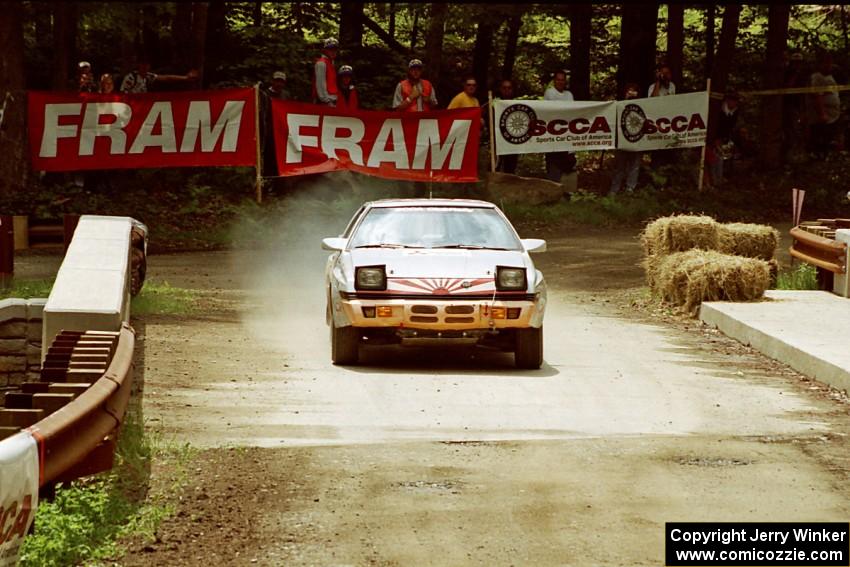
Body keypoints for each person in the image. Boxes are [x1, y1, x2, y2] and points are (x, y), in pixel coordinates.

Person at [543, 70, 576, 192]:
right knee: (553, 162)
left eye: (563, 79)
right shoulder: (549, 93)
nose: (560, 82)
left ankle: (566, 191)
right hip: (552, 135)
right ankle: (552, 190)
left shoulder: (569, 95)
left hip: (567, 135)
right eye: (558, 79)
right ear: (554, 80)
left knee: (568, 162)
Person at [609, 83, 642, 195]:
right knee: (619, 167)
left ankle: (630, 190)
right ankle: (614, 190)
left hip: (636, 141)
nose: (631, 93)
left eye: (634, 91)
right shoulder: (619, 105)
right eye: (629, 91)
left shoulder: (642, 106)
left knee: (634, 166)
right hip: (621, 141)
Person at [808, 51, 841, 160]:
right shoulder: (817, 77)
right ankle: (818, 156)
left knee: (829, 136)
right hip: (823, 115)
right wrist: (822, 113)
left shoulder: (830, 76)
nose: (829, 66)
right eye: (826, 63)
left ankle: (826, 155)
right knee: (820, 136)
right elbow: (818, 97)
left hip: (833, 114)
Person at [120, 58, 198, 93]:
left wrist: (185, 78)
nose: (145, 67)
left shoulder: (148, 76)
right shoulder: (131, 77)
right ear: (139, 65)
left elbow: (167, 78)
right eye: (142, 64)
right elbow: (122, 94)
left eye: (147, 65)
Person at [783, 52, 808, 158]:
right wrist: (795, 74)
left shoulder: (803, 75)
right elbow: (787, 87)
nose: (797, 65)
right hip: (789, 105)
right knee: (791, 130)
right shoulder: (787, 73)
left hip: (799, 105)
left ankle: (799, 152)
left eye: (799, 63)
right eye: (795, 63)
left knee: (800, 129)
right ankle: (789, 153)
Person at [495, 79, 518, 174]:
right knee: (495, 167)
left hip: (512, 142)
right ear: (500, 89)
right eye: (504, 88)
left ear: (512, 89)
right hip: (497, 141)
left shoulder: (517, 104)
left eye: (509, 88)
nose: (507, 90)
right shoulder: (494, 103)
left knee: (510, 169)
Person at [312, 37, 338, 106]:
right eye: (330, 49)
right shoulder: (321, 63)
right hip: (325, 103)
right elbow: (320, 85)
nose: (333, 51)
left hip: (332, 101)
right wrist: (327, 101)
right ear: (325, 50)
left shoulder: (331, 63)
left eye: (335, 49)